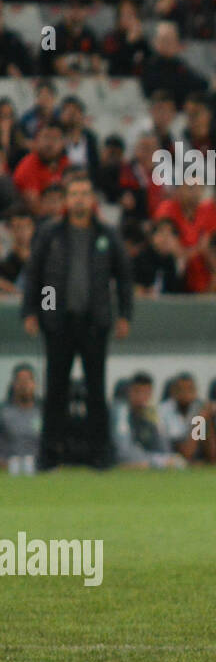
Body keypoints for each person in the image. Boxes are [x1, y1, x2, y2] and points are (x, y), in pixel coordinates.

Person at [21, 173, 133, 469]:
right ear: (66, 200)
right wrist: (36, 311)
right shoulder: (50, 234)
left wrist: (124, 315)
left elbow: (122, 278)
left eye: (84, 193)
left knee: (96, 389)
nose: (79, 199)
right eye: (74, 194)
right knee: (55, 388)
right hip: (59, 322)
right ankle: (49, 452)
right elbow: (39, 276)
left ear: (92, 200)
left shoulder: (106, 235)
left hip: (95, 321)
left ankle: (101, 452)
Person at [0, 362, 39, 472]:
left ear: (34, 384)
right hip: (9, 467)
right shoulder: (4, 413)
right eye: (20, 381)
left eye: (28, 381)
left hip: (37, 468)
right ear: (13, 384)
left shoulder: (42, 413)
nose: (24, 385)